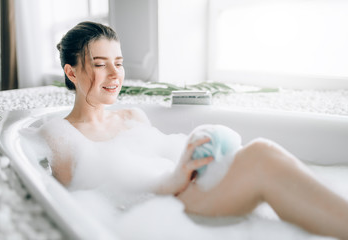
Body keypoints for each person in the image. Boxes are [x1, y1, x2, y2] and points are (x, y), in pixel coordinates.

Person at [45, 21, 348, 239]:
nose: (115, 74)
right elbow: (91, 206)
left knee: (259, 155)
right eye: (100, 64)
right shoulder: (62, 135)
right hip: (152, 214)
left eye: (119, 63)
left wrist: (192, 163)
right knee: (261, 156)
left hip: (178, 195)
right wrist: (170, 180)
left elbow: (161, 161)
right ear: (71, 72)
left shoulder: (133, 117)